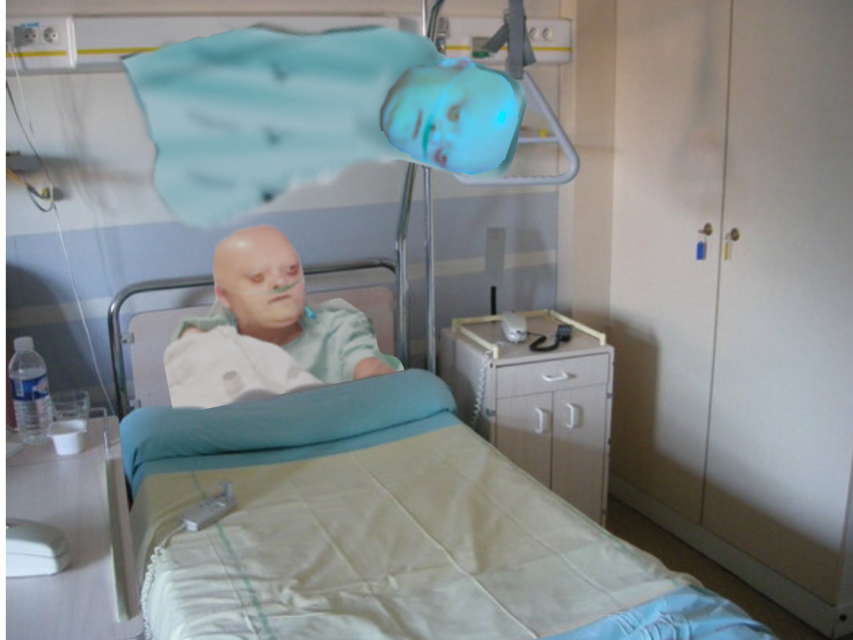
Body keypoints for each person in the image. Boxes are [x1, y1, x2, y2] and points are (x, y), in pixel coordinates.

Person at [123, 26, 524, 228]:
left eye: (443, 154)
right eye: (455, 114)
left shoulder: (363, 141)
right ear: (453, 66)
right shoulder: (374, 58)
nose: (437, 134)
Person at [172, 225, 401, 383]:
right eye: (257, 277)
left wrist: (379, 377)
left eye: (291, 270)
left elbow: (368, 365)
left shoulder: (340, 328)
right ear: (223, 296)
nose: (281, 282)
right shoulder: (206, 341)